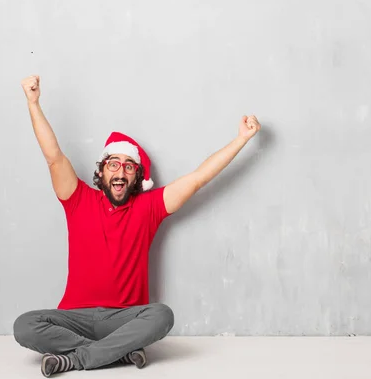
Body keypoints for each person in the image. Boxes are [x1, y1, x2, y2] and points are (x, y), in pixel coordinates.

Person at [14, 75, 261, 377]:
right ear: (102, 171)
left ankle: (77, 359)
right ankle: (119, 352)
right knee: (24, 325)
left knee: (162, 315)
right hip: (73, 315)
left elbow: (199, 178)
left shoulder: (149, 207)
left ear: (137, 177)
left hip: (126, 318)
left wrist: (241, 139)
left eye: (129, 167)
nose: (121, 171)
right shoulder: (77, 198)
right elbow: (53, 157)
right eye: (113, 164)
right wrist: (33, 103)